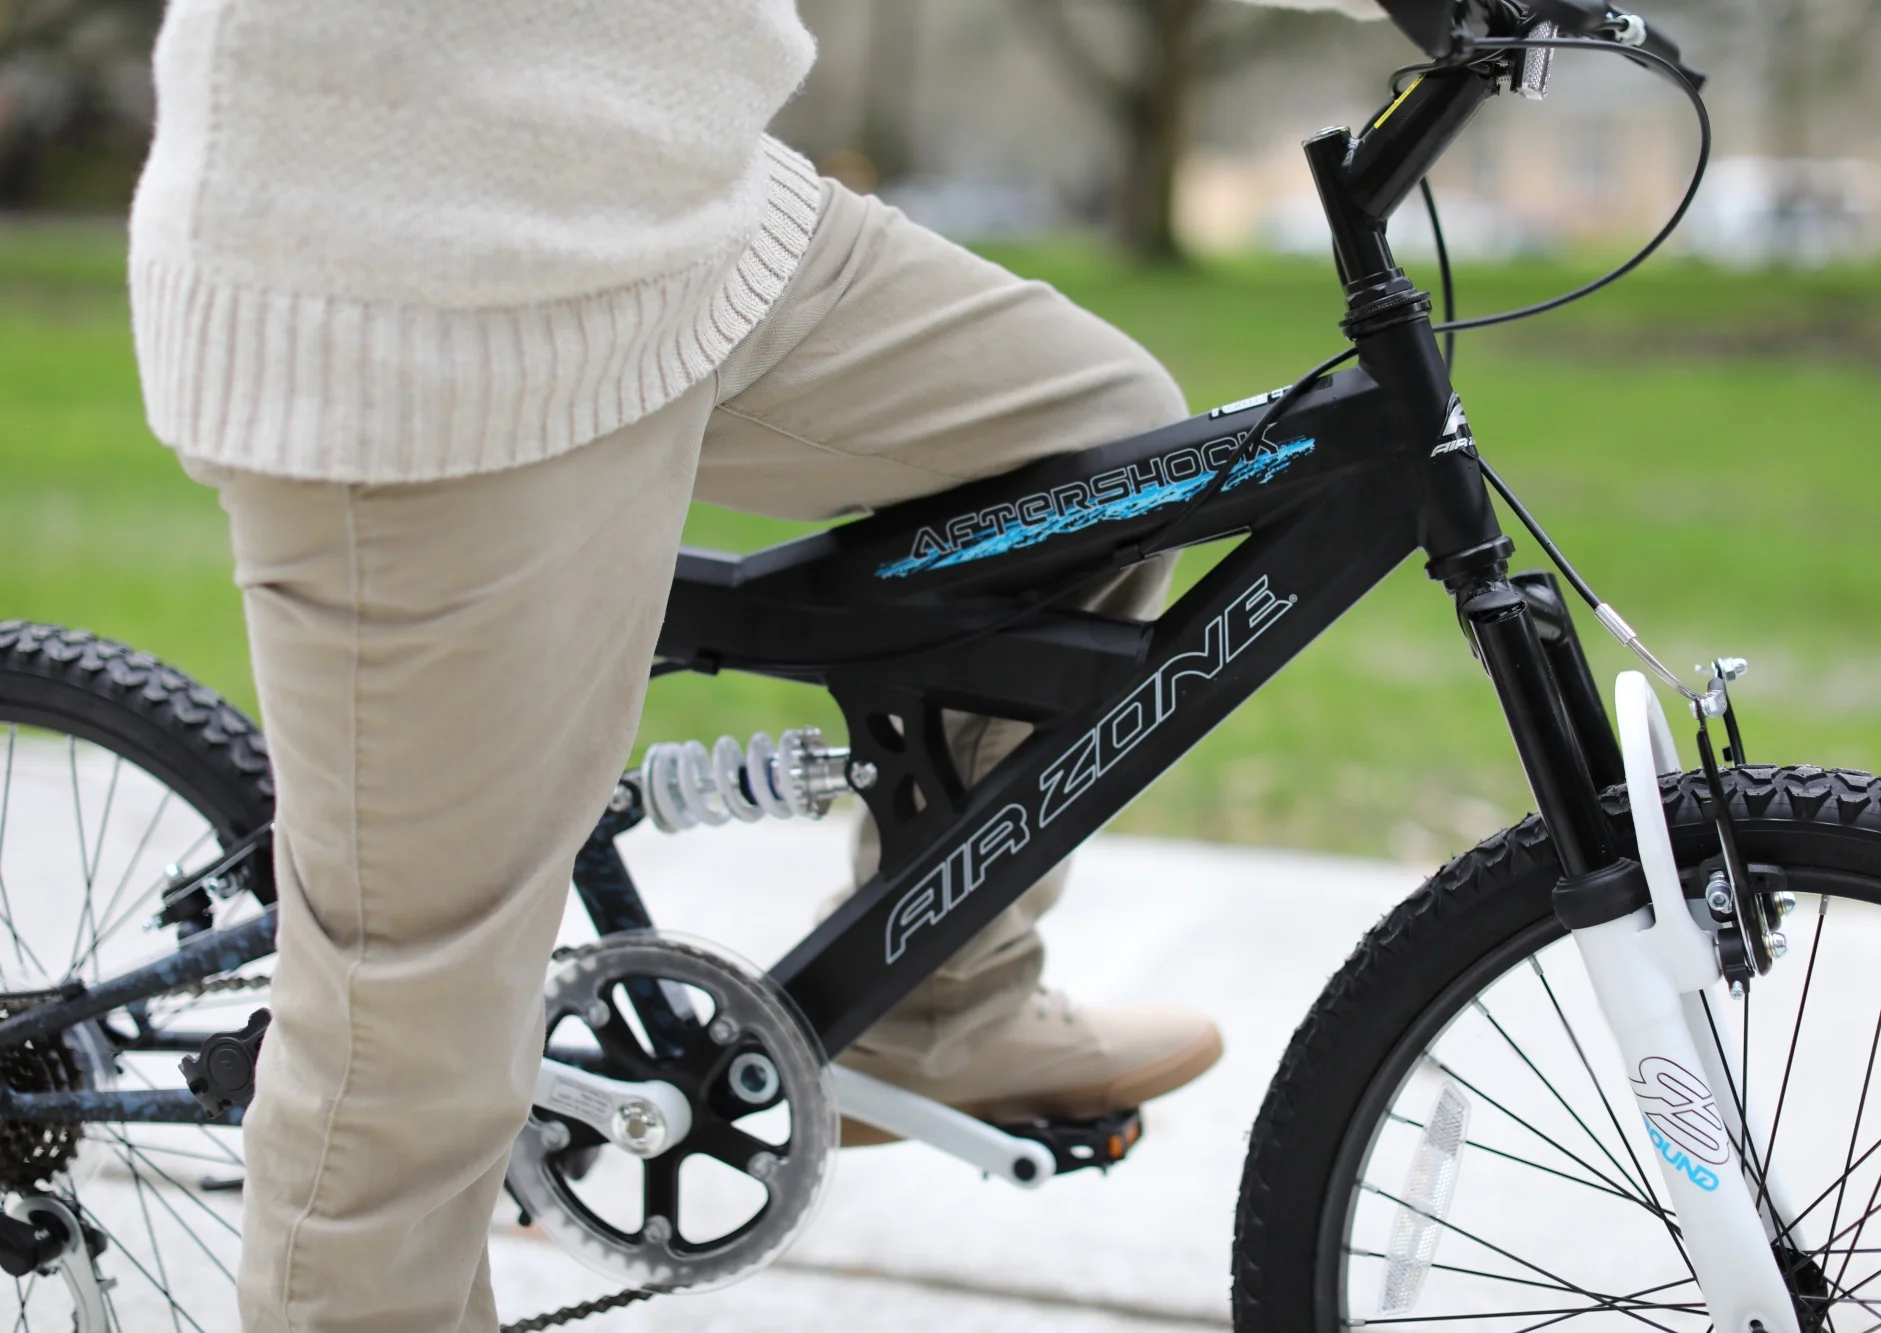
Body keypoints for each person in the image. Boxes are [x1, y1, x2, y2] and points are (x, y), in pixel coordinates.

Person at [128, 1, 1377, 1327]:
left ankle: (941, 1004)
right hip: (418, 284)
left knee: (1110, 456)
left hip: (685, 221)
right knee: (416, 1032)